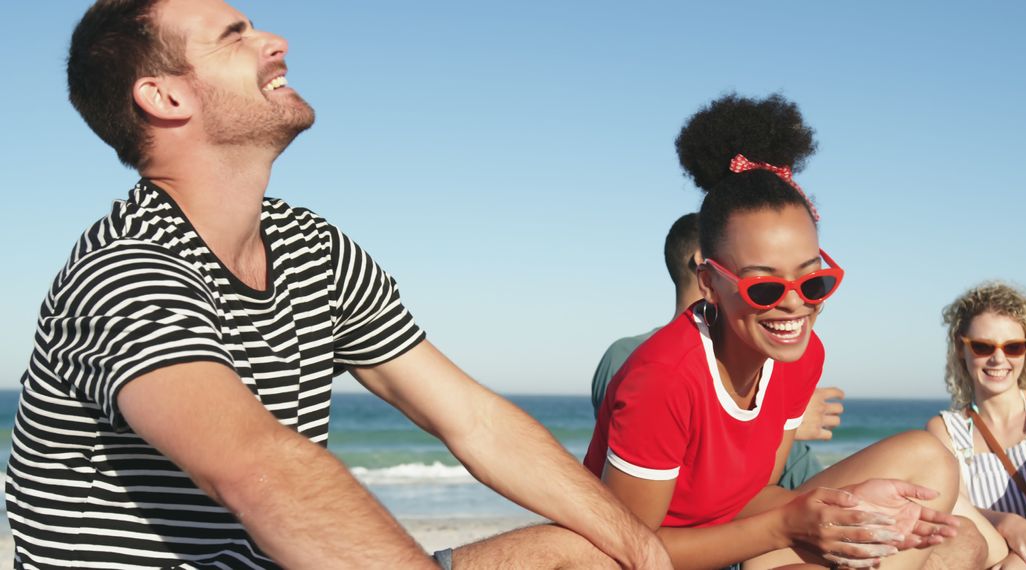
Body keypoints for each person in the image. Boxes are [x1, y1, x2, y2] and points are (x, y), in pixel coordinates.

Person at [2, 1, 672, 568]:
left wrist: (644, 552)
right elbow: (257, 470)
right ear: (164, 96)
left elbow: (471, 419)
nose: (274, 42)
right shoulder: (125, 268)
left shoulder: (311, 248)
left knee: (585, 551)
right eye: (235, 36)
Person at [585, 93, 984, 569]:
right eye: (764, 286)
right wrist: (788, 526)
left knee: (930, 464)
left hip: (740, 531)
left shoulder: (801, 354)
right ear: (710, 282)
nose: (794, 302)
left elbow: (754, 492)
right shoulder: (664, 377)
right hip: (659, 557)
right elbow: (624, 551)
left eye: (813, 280)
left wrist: (850, 508)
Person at [589, 212, 844, 491]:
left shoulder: (776, 351)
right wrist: (782, 425)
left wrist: (784, 421)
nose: (792, 300)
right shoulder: (639, 360)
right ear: (705, 267)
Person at [926, 282, 1026, 570]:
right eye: (983, 346)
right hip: (995, 556)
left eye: (1013, 347)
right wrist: (1011, 525)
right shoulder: (944, 429)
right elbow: (960, 508)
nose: (999, 358)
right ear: (962, 348)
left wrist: (1023, 557)